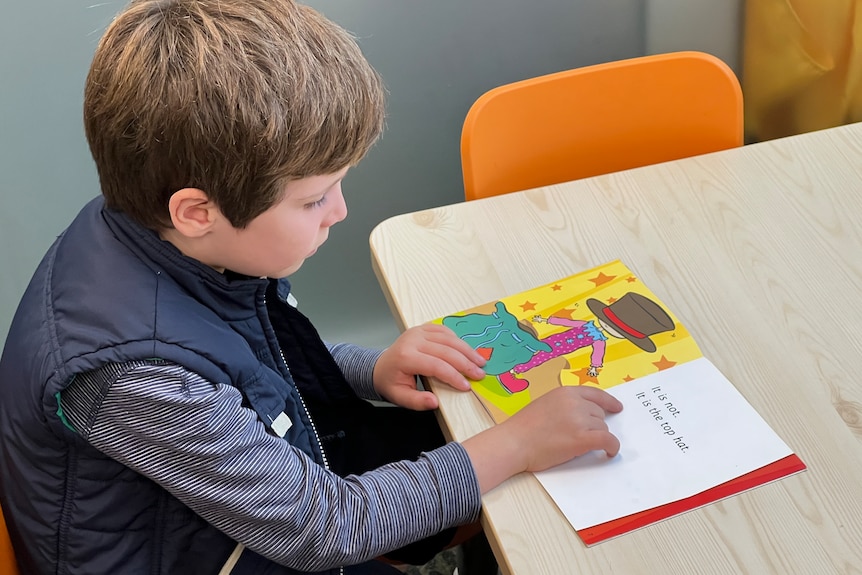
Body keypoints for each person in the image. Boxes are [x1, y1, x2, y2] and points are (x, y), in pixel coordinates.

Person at [0, 0, 623, 573]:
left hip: (248, 502)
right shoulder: (137, 377)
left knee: (462, 451)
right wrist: (515, 444)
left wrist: (370, 367)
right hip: (219, 550)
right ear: (196, 210)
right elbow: (324, 525)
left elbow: (252, 364)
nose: (340, 211)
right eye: (314, 198)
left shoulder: (165, 236)